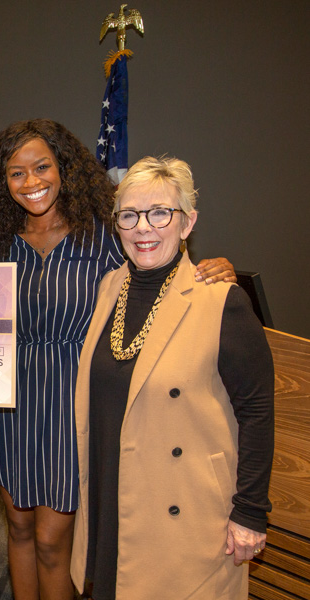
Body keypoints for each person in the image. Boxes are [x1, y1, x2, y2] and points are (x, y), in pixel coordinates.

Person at [0, 120, 235, 600]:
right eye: (16, 173)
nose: (30, 182)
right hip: (12, 400)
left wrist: (216, 269)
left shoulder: (104, 238)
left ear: (64, 168)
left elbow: (161, 265)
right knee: (17, 524)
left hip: (75, 401)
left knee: (54, 541)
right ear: (1, 182)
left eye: (41, 167)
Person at [70, 156, 274, 599]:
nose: (144, 227)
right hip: (114, 494)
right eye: (129, 215)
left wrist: (250, 513)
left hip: (189, 511)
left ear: (187, 223)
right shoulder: (109, 287)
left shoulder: (223, 302)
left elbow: (257, 413)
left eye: (160, 212)